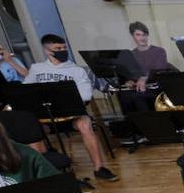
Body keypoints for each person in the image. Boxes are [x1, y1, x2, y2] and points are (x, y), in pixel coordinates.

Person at [23, 34, 118, 182]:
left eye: (64, 48)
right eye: (58, 48)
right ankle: (47, 174)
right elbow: (25, 91)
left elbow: (85, 95)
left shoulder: (77, 70)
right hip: (46, 116)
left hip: (71, 115)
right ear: (47, 51)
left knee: (85, 124)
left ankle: (99, 168)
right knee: (31, 130)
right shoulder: (36, 69)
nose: (62, 51)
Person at [119, 22, 176, 116]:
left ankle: (150, 121)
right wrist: (129, 81)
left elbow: (159, 70)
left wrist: (144, 77)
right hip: (140, 88)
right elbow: (130, 73)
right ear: (133, 36)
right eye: (138, 35)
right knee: (124, 96)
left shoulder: (159, 51)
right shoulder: (131, 54)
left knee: (138, 97)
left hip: (157, 87)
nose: (142, 38)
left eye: (144, 35)